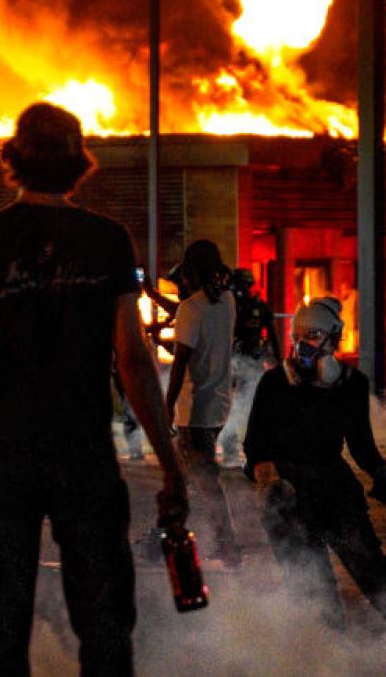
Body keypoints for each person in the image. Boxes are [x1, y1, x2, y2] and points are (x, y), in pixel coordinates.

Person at [0, 103, 188, 676]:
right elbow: (134, 362)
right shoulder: (107, 241)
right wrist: (171, 464)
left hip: (1, 461)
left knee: (5, 633)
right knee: (105, 628)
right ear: (79, 162)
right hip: (83, 458)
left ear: (12, 158)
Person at [244, 297, 386, 627]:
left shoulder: (351, 385)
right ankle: (325, 647)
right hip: (285, 491)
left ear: (333, 339)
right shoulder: (274, 383)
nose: (306, 344)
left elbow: (361, 443)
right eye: (301, 334)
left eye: (315, 335)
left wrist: (381, 475)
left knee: (368, 566)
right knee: (307, 581)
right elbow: (256, 443)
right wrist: (268, 479)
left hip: (333, 488)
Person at [164, 239, 241, 566]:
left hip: (194, 409)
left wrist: (165, 406)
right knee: (197, 476)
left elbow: (181, 363)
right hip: (219, 405)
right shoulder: (228, 302)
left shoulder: (190, 308)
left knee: (200, 481)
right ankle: (218, 542)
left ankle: (226, 547)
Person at [219, 267, 278, 465]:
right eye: (239, 285)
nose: (242, 289)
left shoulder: (259, 307)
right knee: (229, 406)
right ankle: (230, 449)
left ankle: (256, 449)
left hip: (253, 364)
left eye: (246, 285)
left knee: (253, 406)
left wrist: (278, 360)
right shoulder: (228, 307)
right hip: (231, 361)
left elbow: (272, 334)